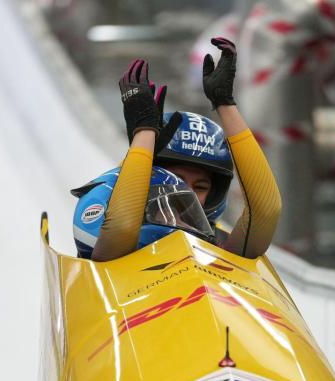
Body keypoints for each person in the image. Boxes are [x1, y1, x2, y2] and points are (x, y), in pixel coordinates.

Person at [72, 37, 281, 262]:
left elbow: (266, 212)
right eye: (176, 180)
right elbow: (121, 229)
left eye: (200, 187)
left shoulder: (219, 247)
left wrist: (225, 104)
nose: (186, 194)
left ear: (213, 198)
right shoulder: (103, 212)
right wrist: (144, 133)